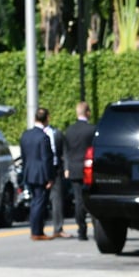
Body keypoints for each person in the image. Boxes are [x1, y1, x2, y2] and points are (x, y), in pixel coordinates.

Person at [19, 107, 55, 241]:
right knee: (39, 202)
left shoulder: (25, 135)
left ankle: (35, 229)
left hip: (29, 172)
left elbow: (24, 156)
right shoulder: (43, 137)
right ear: (46, 119)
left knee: (35, 201)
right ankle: (37, 231)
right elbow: (46, 158)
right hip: (40, 174)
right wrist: (49, 177)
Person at [64, 101, 96, 241]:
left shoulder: (69, 130)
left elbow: (66, 151)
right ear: (87, 112)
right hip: (89, 168)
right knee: (92, 199)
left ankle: (81, 230)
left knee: (78, 200)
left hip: (74, 169)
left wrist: (67, 168)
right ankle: (97, 229)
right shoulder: (92, 129)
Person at [43, 115, 69, 238]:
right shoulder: (35, 134)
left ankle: (58, 228)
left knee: (57, 200)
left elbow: (65, 151)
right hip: (41, 171)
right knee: (40, 200)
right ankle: (38, 228)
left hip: (56, 169)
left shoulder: (57, 133)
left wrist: (66, 168)